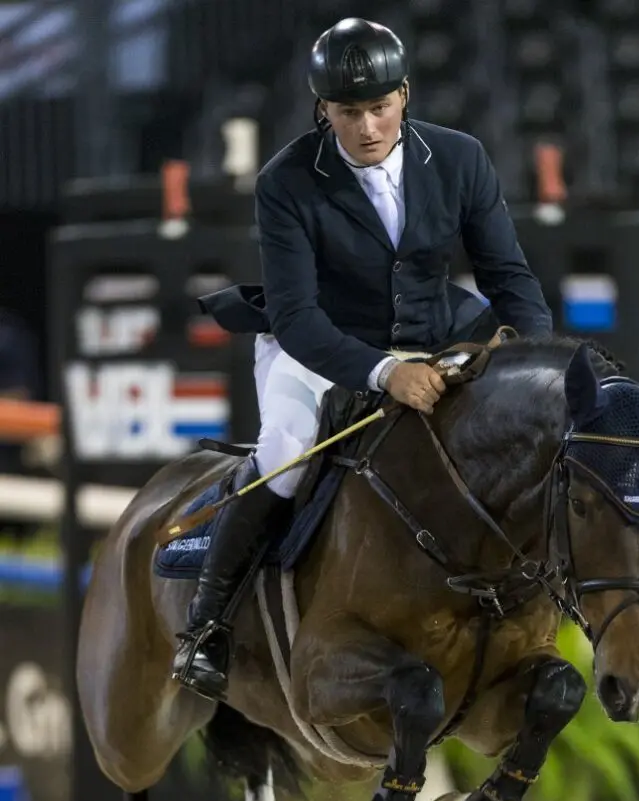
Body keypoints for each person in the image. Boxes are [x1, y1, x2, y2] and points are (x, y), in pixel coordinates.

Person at [171, 16, 553, 702]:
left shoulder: (460, 157)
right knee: (285, 449)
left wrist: (527, 351)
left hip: (437, 332)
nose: (369, 127)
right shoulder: (286, 181)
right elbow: (297, 316)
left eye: (380, 107)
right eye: (350, 113)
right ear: (325, 110)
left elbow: (510, 278)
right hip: (319, 345)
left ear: (404, 95)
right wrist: (384, 373)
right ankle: (207, 624)